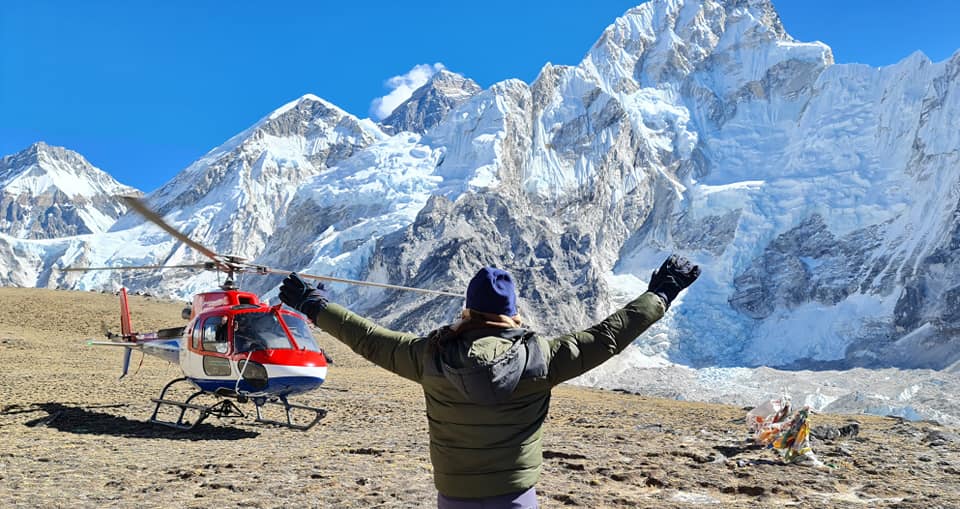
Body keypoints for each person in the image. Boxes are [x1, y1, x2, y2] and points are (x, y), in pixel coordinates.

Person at [279, 255, 700, 509]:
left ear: (468, 309)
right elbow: (607, 336)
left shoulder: (431, 356)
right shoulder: (541, 359)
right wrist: (659, 294)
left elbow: (369, 338)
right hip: (515, 496)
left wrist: (314, 306)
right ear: (512, 312)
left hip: (454, 494)